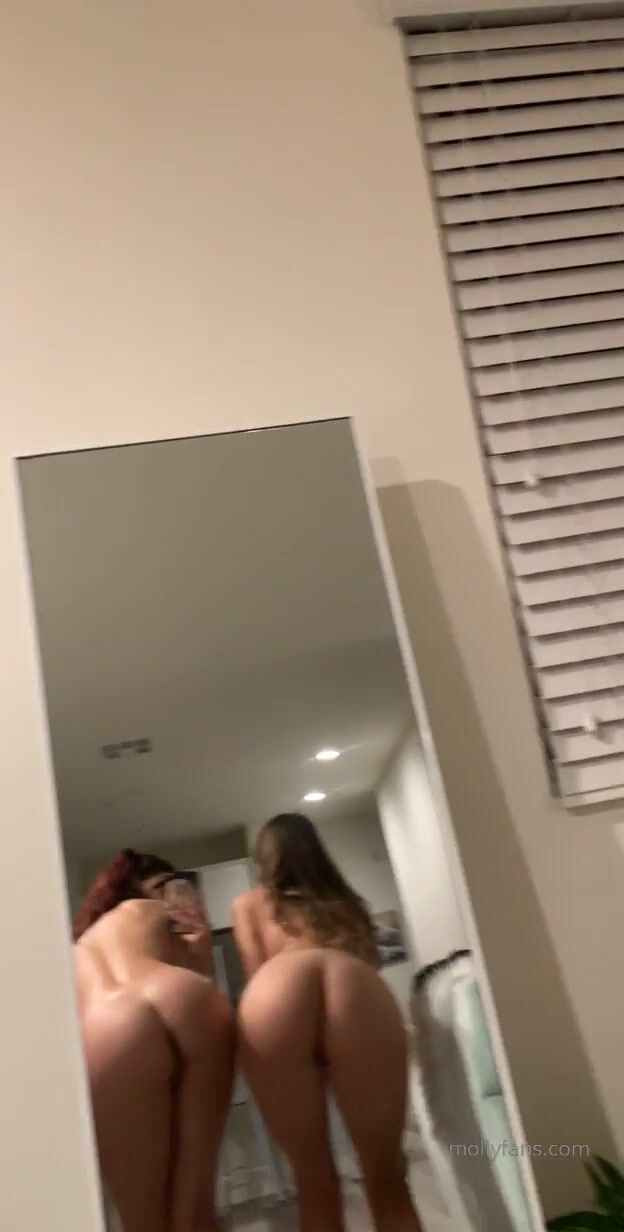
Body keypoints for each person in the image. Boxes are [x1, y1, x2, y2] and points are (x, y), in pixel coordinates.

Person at [232, 814, 423, 1232]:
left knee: (313, 1181)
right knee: (387, 1177)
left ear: (264, 858)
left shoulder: (249, 905)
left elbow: (256, 972)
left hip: (277, 990)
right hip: (351, 983)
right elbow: (370, 963)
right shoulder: (346, 901)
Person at [73, 849, 235, 1232]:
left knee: (143, 1221)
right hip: (183, 994)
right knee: (196, 1211)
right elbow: (198, 962)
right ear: (155, 886)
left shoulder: (78, 947)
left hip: (109, 1025)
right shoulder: (164, 906)